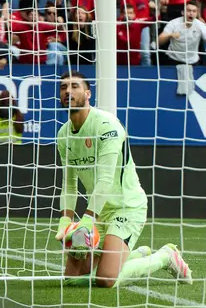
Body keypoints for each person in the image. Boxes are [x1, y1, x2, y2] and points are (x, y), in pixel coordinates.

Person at [54, 71, 193, 288]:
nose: (68, 91)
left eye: (74, 86)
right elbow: (69, 184)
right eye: (63, 87)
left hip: (127, 207)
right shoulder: (64, 134)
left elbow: (106, 179)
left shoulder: (107, 126)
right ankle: (135, 254)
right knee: (72, 279)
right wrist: (66, 220)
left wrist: (87, 220)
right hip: (100, 210)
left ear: (88, 93)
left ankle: (165, 256)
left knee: (105, 279)